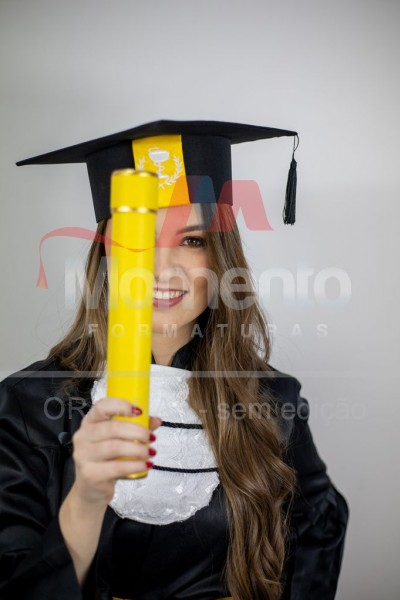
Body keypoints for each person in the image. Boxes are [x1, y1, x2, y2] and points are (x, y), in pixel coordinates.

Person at [0, 120, 349, 600]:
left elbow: (317, 534)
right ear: (106, 257)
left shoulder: (271, 399)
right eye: (137, 240)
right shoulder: (28, 404)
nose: (161, 269)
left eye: (192, 240)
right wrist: (85, 499)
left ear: (221, 258)